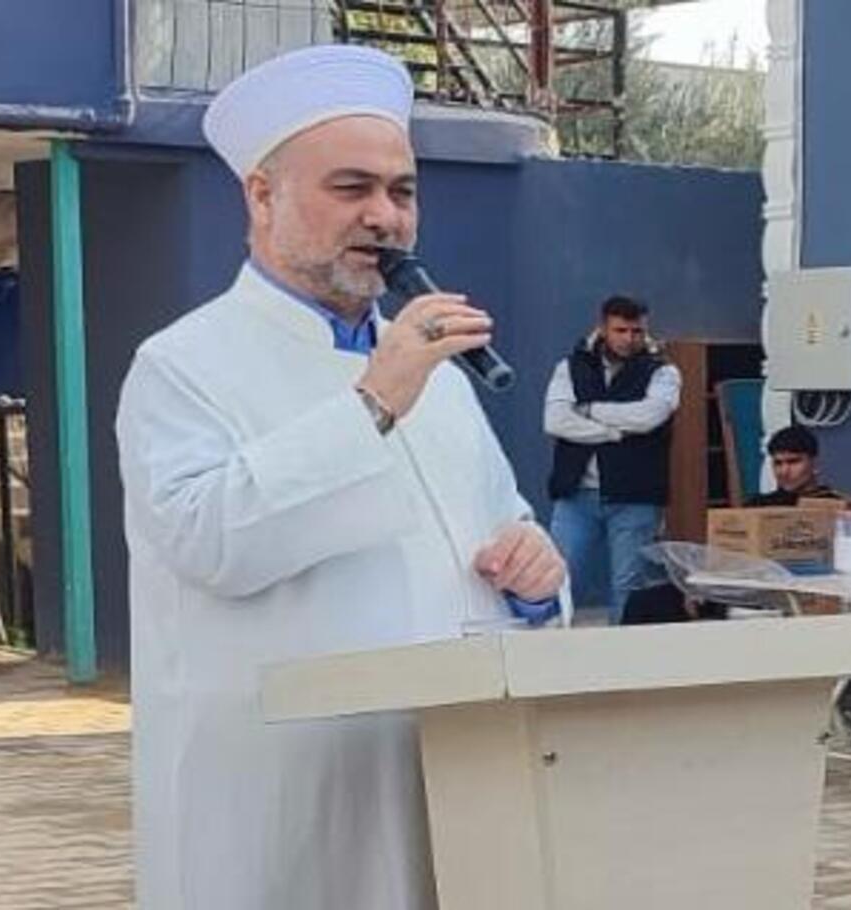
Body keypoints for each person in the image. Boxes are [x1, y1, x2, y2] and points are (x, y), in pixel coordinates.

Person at [115, 46, 568, 910]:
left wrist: (539, 580)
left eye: (402, 192)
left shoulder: (437, 375)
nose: (384, 217)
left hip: (449, 777)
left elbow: (504, 531)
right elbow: (212, 543)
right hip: (281, 796)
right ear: (262, 196)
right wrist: (374, 400)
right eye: (351, 188)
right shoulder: (182, 366)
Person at [544, 295, 681, 624]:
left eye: (637, 331)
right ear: (603, 328)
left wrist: (589, 410)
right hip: (576, 494)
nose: (629, 339)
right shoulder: (570, 366)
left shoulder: (663, 371)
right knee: (559, 581)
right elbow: (555, 421)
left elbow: (649, 416)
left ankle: (623, 655)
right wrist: (613, 433)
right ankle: (552, 649)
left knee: (628, 588)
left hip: (635, 495)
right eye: (621, 330)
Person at [745, 425, 838, 507]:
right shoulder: (757, 506)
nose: (784, 471)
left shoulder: (837, 506)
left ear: (815, 463)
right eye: (778, 463)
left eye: (793, 462)